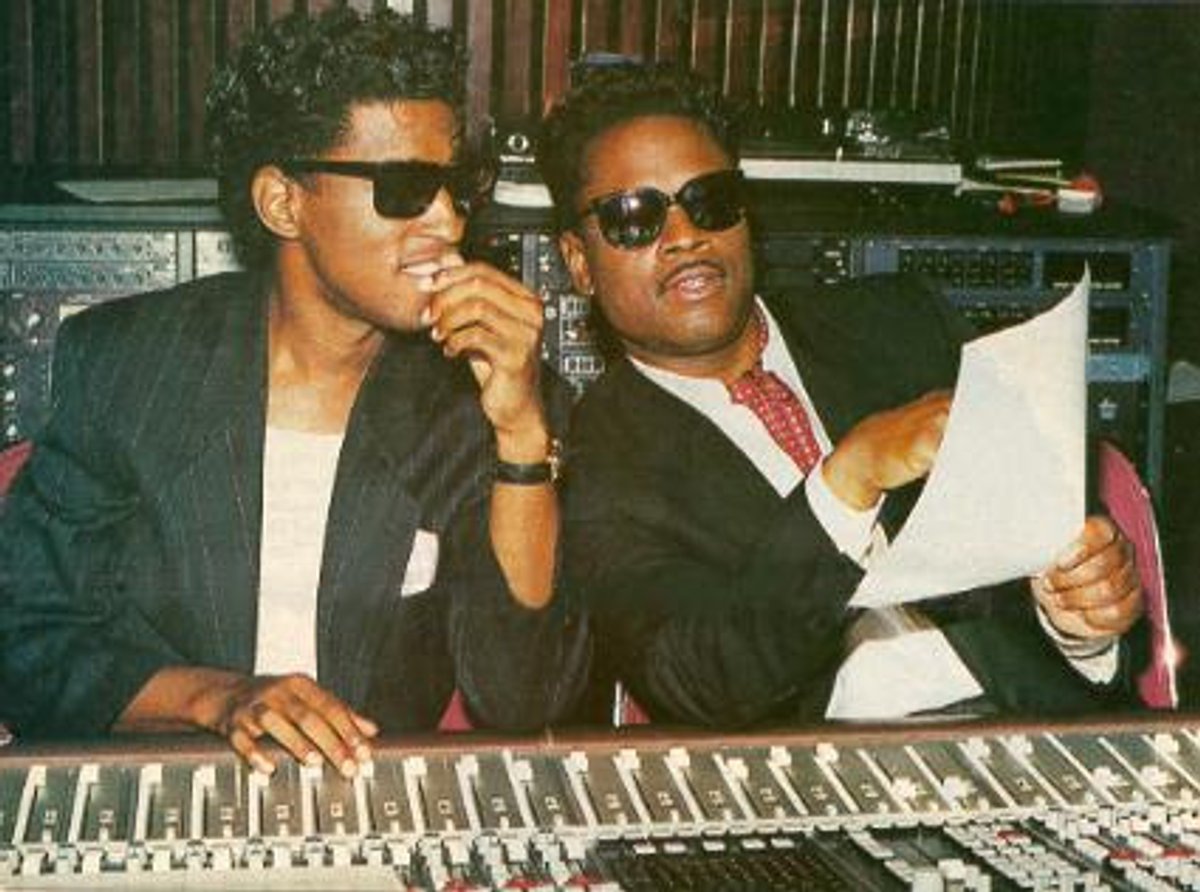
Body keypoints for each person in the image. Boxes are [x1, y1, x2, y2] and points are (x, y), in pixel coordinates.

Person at [0, 7, 584, 773]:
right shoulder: (129, 366)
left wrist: (520, 437)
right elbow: (28, 636)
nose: (446, 221)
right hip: (172, 785)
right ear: (283, 202)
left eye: (457, 186)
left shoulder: (484, 394)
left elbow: (525, 696)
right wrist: (219, 698)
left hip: (372, 799)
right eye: (406, 187)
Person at [538, 62, 1144, 727]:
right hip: (821, 769)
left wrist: (1082, 623)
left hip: (1028, 732)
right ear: (578, 262)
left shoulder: (902, 323)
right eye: (634, 217)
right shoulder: (598, 456)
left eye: (709, 199)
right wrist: (846, 482)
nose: (685, 236)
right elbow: (698, 679)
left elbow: (1061, 548)